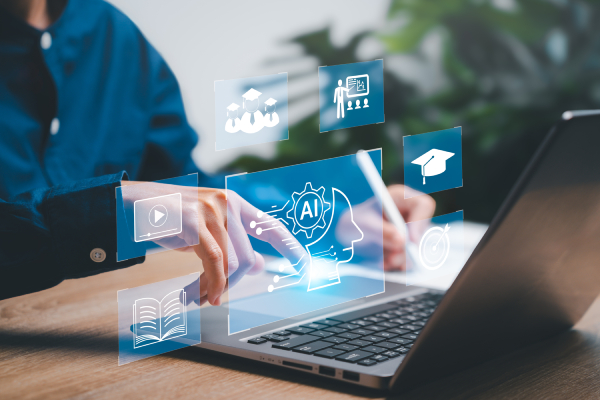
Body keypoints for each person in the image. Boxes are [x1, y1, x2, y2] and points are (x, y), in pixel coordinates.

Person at [0, 0, 435, 303]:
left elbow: (187, 187)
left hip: (102, 340)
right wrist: (104, 211)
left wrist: (334, 222)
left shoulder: (114, 36)